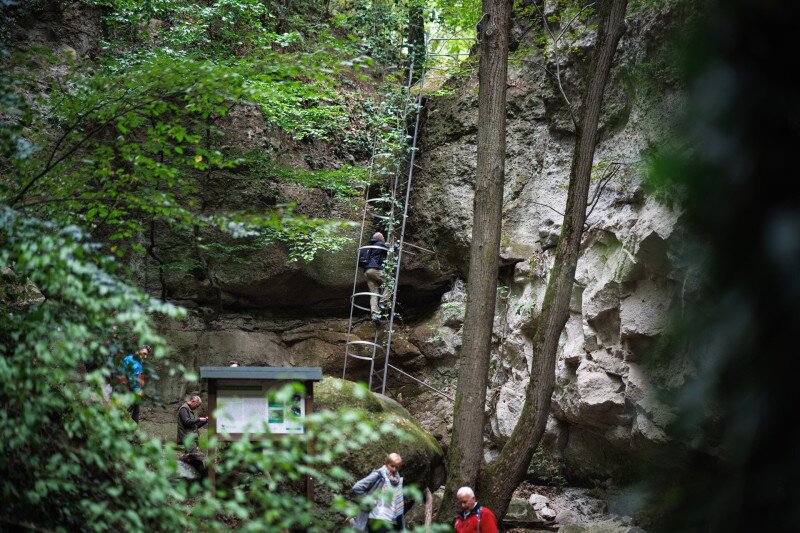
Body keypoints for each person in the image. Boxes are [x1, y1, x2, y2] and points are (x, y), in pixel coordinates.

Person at [352, 453, 405, 532]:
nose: (394, 469)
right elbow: (357, 487)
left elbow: (396, 503)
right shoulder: (379, 474)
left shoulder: (397, 481)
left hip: (391, 520)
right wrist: (369, 500)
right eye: (392, 466)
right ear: (386, 464)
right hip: (377, 518)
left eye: (396, 467)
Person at [119, 344, 151, 424]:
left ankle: (135, 428)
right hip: (127, 391)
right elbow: (133, 379)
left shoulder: (133, 359)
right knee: (125, 412)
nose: (145, 356)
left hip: (125, 389)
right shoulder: (134, 362)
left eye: (146, 355)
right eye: (144, 353)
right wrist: (138, 391)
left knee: (135, 410)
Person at [362, 231, 389, 325]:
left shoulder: (370, 246)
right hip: (375, 269)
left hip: (367, 272)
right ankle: (384, 301)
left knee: (373, 294)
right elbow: (391, 250)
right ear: (380, 238)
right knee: (389, 282)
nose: (384, 238)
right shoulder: (380, 244)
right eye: (383, 237)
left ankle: (375, 315)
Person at [177, 394, 208, 468]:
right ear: (193, 401)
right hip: (187, 437)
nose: (196, 408)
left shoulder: (189, 410)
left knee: (190, 457)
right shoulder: (184, 409)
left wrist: (204, 421)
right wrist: (198, 419)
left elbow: (195, 426)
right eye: (197, 406)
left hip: (191, 437)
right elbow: (187, 422)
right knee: (194, 456)